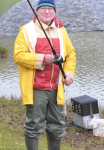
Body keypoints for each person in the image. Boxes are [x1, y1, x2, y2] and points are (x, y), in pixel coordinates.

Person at [13, 0, 76, 149]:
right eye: (43, 9)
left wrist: (69, 73)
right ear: (37, 11)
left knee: (57, 126)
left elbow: (70, 54)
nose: (47, 11)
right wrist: (42, 58)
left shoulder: (62, 30)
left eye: (50, 8)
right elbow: (19, 56)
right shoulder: (26, 31)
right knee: (34, 125)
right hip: (36, 87)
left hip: (56, 87)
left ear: (54, 11)